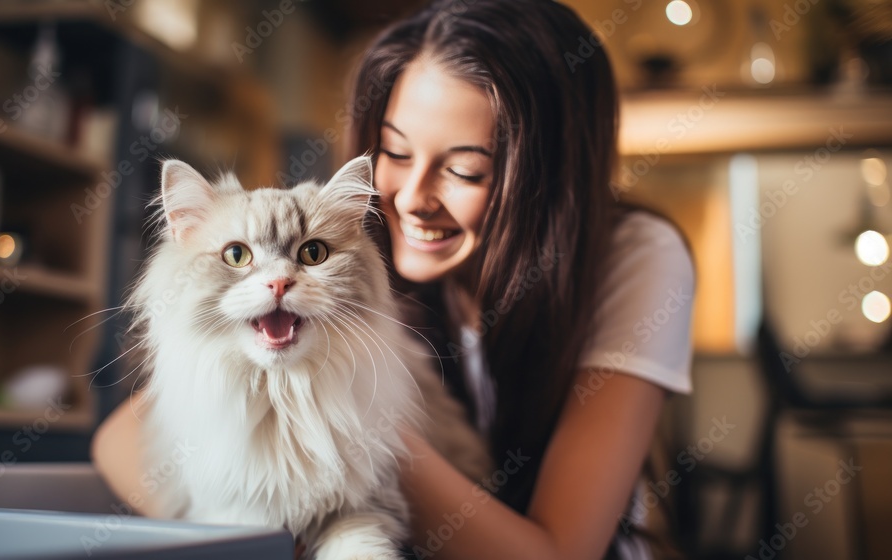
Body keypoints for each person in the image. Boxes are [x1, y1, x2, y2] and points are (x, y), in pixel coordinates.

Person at [91, 1, 695, 558]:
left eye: (464, 169)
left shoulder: (635, 253)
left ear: (546, 177)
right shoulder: (354, 232)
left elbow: (557, 553)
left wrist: (361, 426)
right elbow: (121, 439)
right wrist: (246, 517)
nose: (410, 198)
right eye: (396, 153)